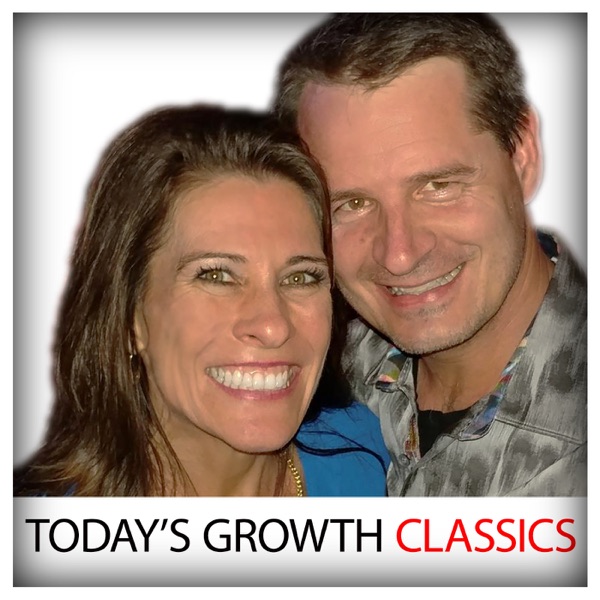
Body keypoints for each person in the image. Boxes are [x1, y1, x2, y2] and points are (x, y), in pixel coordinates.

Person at [274, 13, 587, 496]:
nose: (399, 255)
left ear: (522, 155)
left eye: (438, 186)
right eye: (351, 204)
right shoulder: (304, 374)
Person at [13, 104, 389, 497]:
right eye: (216, 276)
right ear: (129, 317)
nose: (272, 325)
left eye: (300, 277)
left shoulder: (367, 453)